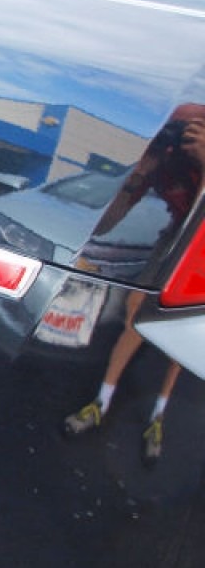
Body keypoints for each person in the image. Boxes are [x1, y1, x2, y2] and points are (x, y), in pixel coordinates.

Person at [63, 105, 205, 466]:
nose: (178, 137)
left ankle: (158, 413)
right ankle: (102, 401)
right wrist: (139, 174)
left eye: (189, 128)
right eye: (172, 129)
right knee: (136, 315)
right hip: (174, 238)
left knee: (182, 329)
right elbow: (106, 225)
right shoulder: (161, 157)